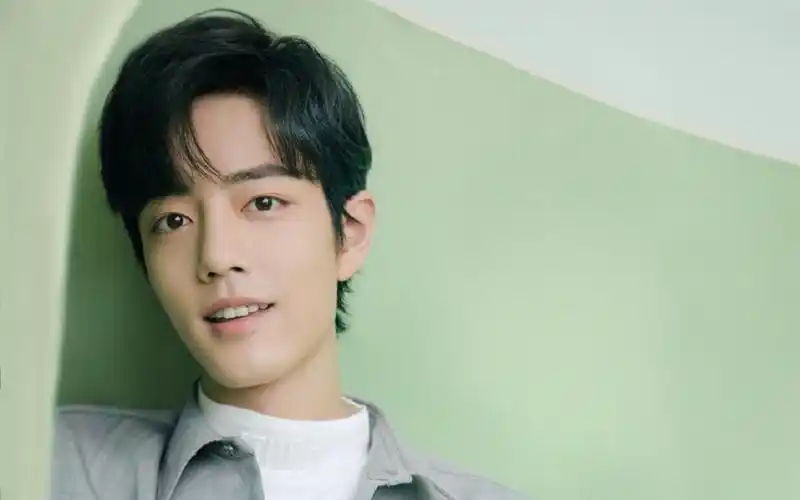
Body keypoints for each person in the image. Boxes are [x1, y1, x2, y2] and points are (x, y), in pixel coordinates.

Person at [51, 9, 527, 500]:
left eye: (263, 203)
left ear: (350, 233)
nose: (216, 256)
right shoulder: (53, 464)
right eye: (173, 221)